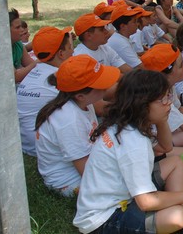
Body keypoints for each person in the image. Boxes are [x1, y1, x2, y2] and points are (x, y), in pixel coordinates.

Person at [73, 70, 183, 234]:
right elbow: (146, 201)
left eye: (168, 96)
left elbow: (165, 148)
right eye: (162, 99)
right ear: (141, 104)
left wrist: (162, 120)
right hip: (103, 219)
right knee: (178, 215)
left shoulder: (126, 122)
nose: (168, 103)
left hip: (120, 196)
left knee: (175, 163)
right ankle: (181, 223)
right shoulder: (133, 141)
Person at [35, 55, 120, 196]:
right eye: (100, 84)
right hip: (69, 181)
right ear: (80, 95)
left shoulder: (83, 103)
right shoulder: (68, 119)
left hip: (85, 162)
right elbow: (87, 171)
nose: (106, 86)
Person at [17, 26, 73, 156]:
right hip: (43, 149)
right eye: (70, 47)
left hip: (28, 143)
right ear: (60, 54)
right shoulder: (60, 77)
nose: (73, 51)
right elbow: (98, 107)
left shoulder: (36, 71)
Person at [107, 4, 149, 69]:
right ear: (123, 26)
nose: (137, 24)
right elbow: (140, 67)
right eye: (134, 21)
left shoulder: (121, 38)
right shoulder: (120, 43)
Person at [10, 8, 37, 83]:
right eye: (17, 27)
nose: (22, 30)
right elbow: (15, 77)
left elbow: (30, 64)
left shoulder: (18, 45)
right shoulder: (2, 49)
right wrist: (38, 61)